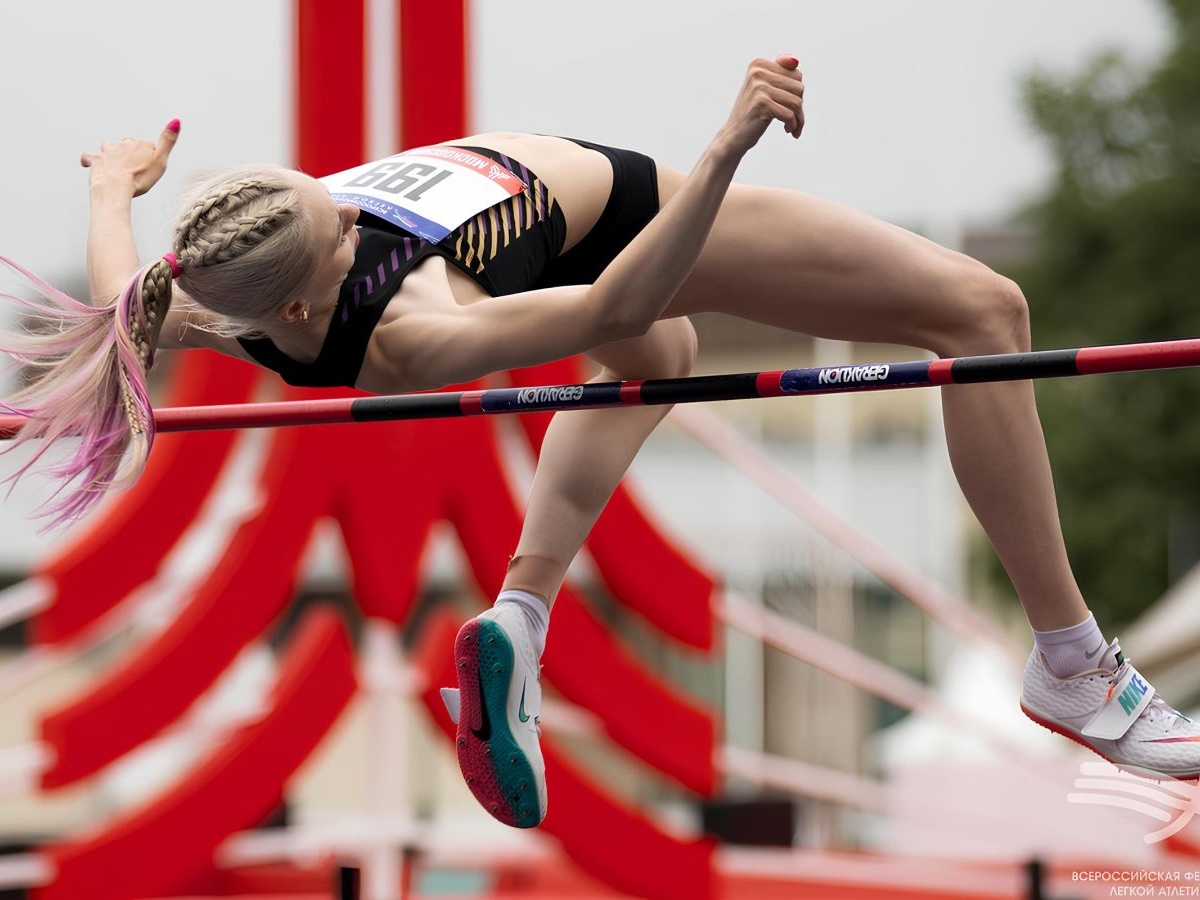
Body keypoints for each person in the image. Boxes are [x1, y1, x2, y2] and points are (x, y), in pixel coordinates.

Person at [2, 55, 1196, 831]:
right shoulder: (411, 331)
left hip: (573, 238)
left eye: (335, 191)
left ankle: (522, 612)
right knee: (983, 315)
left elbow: (125, 298)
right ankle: (1074, 665)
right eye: (343, 223)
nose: (353, 200)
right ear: (311, 305)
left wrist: (119, 182)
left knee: (663, 364)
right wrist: (721, 157)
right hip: (621, 220)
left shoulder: (219, 279)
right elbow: (614, 306)